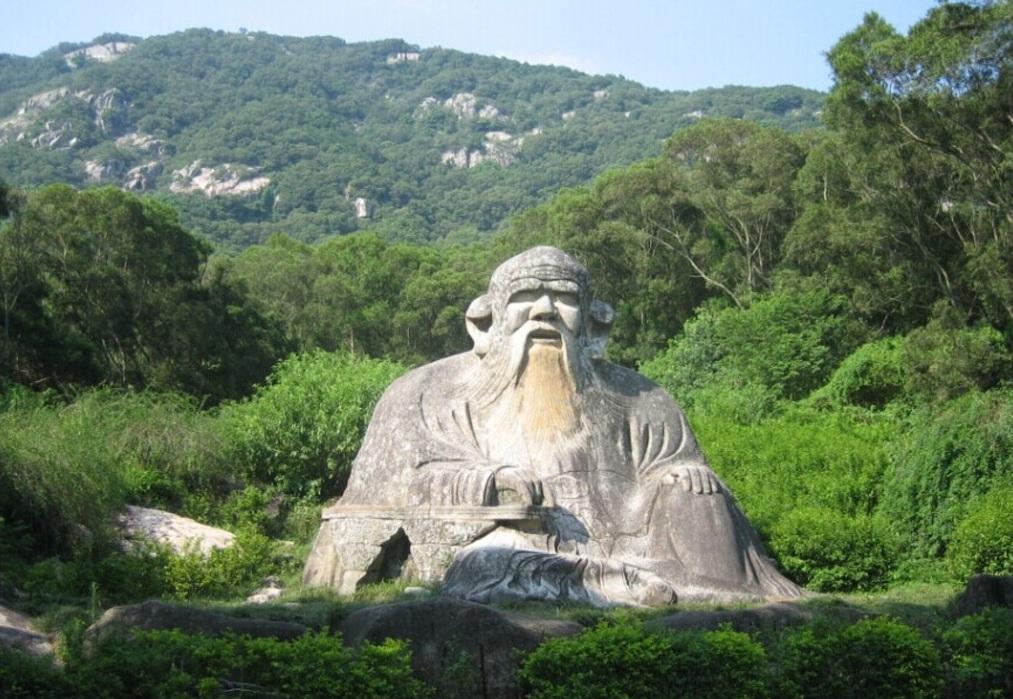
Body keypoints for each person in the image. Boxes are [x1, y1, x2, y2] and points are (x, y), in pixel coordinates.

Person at [305, 246, 800, 606]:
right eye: (525, 297)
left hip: (633, 547)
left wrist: (685, 474)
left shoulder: (644, 400)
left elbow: (675, 468)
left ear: (593, 324)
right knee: (484, 565)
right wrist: (489, 482)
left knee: (699, 494)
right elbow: (389, 493)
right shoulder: (424, 392)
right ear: (486, 322)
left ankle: (671, 587)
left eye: (563, 298)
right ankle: (617, 585)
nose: (544, 311)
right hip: (502, 544)